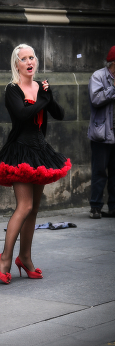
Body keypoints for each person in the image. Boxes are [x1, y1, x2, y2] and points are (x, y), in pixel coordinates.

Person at [0, 44, 71, 284]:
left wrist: (49, 98)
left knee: (35, 208)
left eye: (32, 57)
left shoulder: (41, 87)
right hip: (20, 151)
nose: (30, 61)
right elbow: (22, 115)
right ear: (16, 64)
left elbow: (59, 114)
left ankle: (26, 258)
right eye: (24, 59)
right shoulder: (12, 89)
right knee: (25, 206)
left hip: (40, 151)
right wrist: (43, 99)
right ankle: (5, 259)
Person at [87, 46, 115, 219]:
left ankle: (113, 207)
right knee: (99, 172)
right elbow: (96, 99)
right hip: (101, 134)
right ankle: (96, 207)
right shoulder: (98, 76)